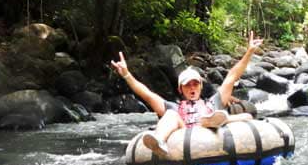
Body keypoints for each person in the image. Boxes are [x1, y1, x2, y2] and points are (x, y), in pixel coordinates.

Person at [110, 31, 264, 158]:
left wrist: (249, 52)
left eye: (195, 84)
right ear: (180, 89)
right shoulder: (173, 107)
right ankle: (159, 141)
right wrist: (126, 75)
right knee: (170, 115)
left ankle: (214, 121)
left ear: (200, 86)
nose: (192, 88)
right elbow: (147, 95)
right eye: (187, 85)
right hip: (186, 135)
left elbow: (231, 77)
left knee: (246, 116)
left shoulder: (213, 102)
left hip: (210, 130)